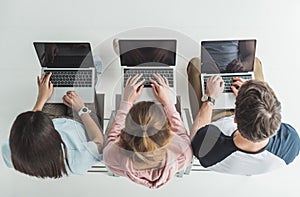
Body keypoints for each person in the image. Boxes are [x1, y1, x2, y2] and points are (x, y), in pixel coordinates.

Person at [190, 76, 300, 175]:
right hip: (249, 163)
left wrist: (210, 99)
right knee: (255, 64)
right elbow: (265, 117)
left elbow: (195, 137)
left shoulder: (210, 146)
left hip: (219, 123)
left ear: (235, 118)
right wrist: (249, 98)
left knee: (195, 64)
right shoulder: (292, 143)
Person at [1, 72, 104, 178]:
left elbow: (30, 127)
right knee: (88, 76)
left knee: (54, 80)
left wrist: (41, 98)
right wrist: (81, 109)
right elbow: (99, 142)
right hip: (82, 125)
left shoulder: (11, 151)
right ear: (55, 138)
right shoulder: (78, 160)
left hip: (48, 121)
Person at [103, 73, 192, 188]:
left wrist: (126, 101)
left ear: (126, 130)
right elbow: (181, 134)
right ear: (167, 131)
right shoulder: (183, 155)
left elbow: (111, 139)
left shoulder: (112, 158)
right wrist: (168, 102)